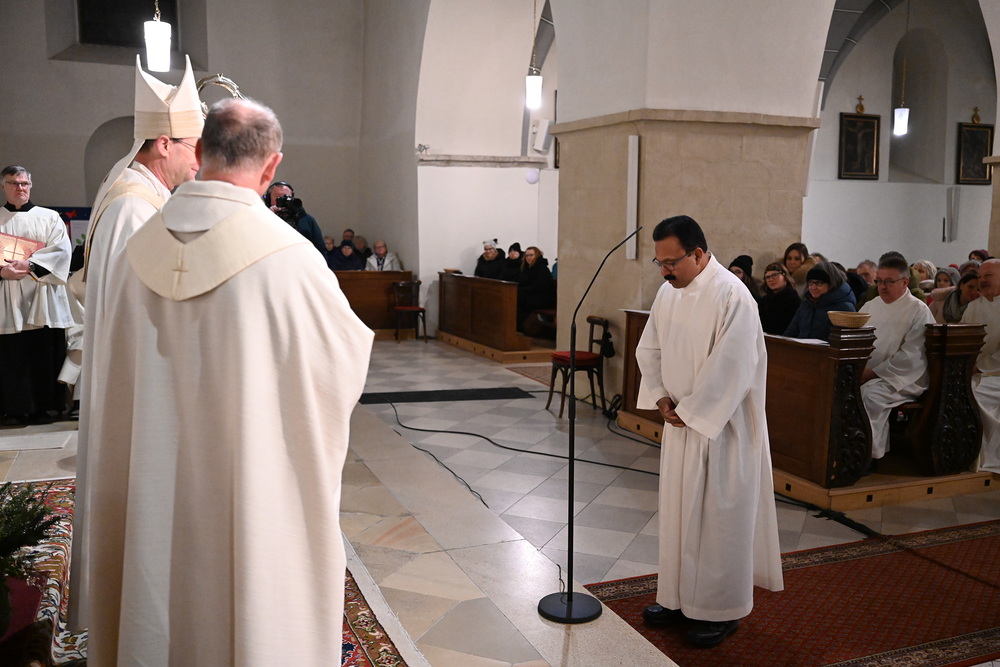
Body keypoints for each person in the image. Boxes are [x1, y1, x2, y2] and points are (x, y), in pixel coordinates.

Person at [78, 97, 374, 665]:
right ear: (272, 166)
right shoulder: (290, 257)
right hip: (248, 485)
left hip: (155, 482)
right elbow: (338, 369)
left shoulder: (139, 246)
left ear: (201, 151)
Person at [72, 57, 204, 627]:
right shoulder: (134, 206)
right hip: (139, 382)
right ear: (164, 143)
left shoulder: (143, 195)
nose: (200, 161)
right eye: (194, 147)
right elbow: (142, 312)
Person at [636, 215, 782, 649]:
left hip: (723, 431)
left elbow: (733, 368)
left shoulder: (733, 295)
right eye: (660, 262)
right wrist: (661, 397)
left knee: (719, 524)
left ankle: (721, 610)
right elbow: (650, 347)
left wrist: (693, 410)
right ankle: (677, 599)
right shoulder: (668, 293)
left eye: (672, 262)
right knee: (679, 517)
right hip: (680, 426)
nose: (664, 271)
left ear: (698, 253)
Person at [0, 166, 75, 424]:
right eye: (13, 183)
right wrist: (2, 272)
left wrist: (30, 265)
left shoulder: (49, 217)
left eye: (24, 183)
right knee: (12, 354)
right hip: (7, 295)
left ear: (30, 186)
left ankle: (45, 408)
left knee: (43, 351)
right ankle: (15, 409)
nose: (20, 188)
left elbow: (62, 251)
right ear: (3, 186)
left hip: (42, 294)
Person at [859, 253, 935, 463]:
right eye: (879, 281)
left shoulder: (918, 310)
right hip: (867, 373)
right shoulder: (871, 306)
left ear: (905, 282)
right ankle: (843, 448)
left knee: (869, 397)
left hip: (904, 378)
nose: (882, 287)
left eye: (889, 282)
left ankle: (869, 456)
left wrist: (872, 373)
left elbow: (912, 356)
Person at [961, 259, 1000, 473]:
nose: (982, 280)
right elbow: (961, 338)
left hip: (995, 374)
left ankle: (986, 457)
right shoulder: (974, 307)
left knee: (975, 393)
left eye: (988, 276)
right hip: (973, 371)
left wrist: (977, 368)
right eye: (980, 276)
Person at [782, 261, 856, 341]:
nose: (813, 287)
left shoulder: (844, 308)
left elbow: (846, 342)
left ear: (831, 284)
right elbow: (791, 332)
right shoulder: (807, 303)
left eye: (819, 283)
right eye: (810, 282)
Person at [266, 181, 326, 256]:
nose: (283, 200)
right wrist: (267, 217)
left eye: (286, 197)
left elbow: (320, 249)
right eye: (277, 197)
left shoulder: (306, 220)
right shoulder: (262, 219)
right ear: (269, 199)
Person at [516, 246, 555, 330]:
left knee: (520, 299)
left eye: (531, 255)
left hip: (543, 298)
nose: (529, 257)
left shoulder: (542, 269)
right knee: (515, 298)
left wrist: (521, 290)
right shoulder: (526, 268)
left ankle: (522, 327)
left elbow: (539, 287)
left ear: (537, 256)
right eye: (527, 255)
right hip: (531, 295)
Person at [758, 262, 800, 335]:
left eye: (775, 275)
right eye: (767, 277)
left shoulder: (792, 299)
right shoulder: (764, 301)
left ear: (784, 276)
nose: (771, 279)